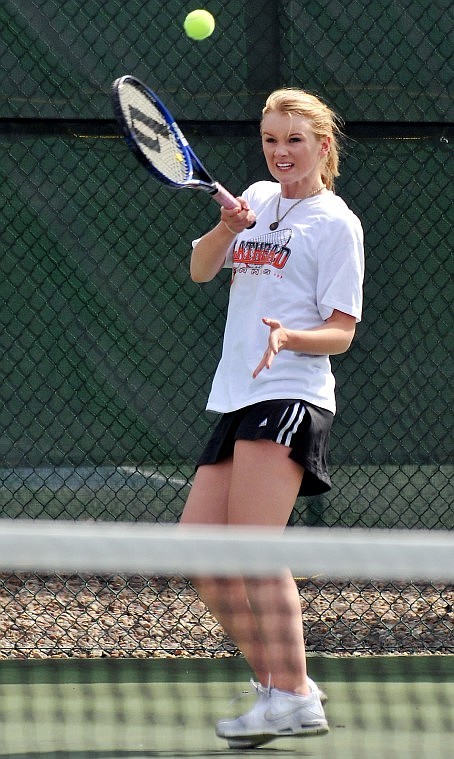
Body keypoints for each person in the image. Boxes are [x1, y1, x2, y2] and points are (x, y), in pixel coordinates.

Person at [180, 87, 364, 748]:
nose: (281, 152)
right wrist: (228, 227)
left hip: (290, 393)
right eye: (271, 140)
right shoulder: (254, 199)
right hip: (235, 396)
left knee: (257, 551)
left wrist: (290, 337)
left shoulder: (336, 223)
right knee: (200, 551)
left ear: (322, 146)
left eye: (294, 139)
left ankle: (292, 693)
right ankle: (281, 691)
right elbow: (202, 270)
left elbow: (342, 330)